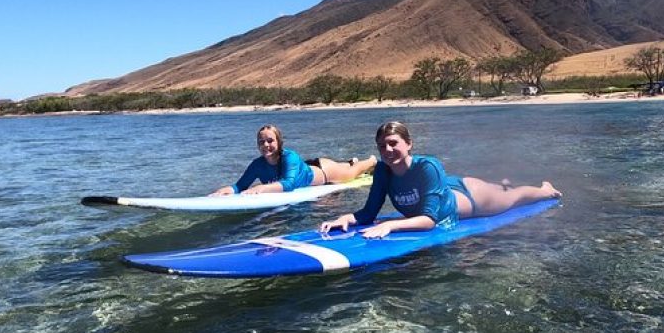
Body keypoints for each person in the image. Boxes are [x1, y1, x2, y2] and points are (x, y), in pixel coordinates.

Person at [320, 121, 561, 238]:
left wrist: (390, 225)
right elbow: (369, 212)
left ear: (409, 144)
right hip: (443, 189)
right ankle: (506, 182)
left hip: (471, 199)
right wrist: (346, 218)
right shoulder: (382, 170)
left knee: (514, 196)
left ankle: (545, 189)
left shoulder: (428, 166)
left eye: (393, 143)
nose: (388, 150)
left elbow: (428, 221)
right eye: (382, 146)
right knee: (507, 188)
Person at [210, 124, 377, 196]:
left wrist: (260, 189)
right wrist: (226, 190)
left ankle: (370, 161)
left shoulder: (290, 156)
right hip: (307, 167)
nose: (266, 145)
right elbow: (240, 185)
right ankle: (350, 161)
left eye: (270, 141)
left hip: (326, 172)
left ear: (279, 142)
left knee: (353, 172)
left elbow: (289, 184)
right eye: (261, 142)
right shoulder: (257, 164)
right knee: (348, 166)